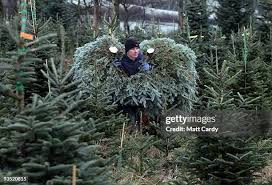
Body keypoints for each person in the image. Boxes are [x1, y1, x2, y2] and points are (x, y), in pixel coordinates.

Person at [113, 37, 151, 132]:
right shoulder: (122, 63)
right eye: (133, 49)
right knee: (130, 115)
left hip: (142, 96)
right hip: (127, 97)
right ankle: (131, 130)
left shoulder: (142, 61)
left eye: (137, 48)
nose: (136, 51)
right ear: (127, 51)